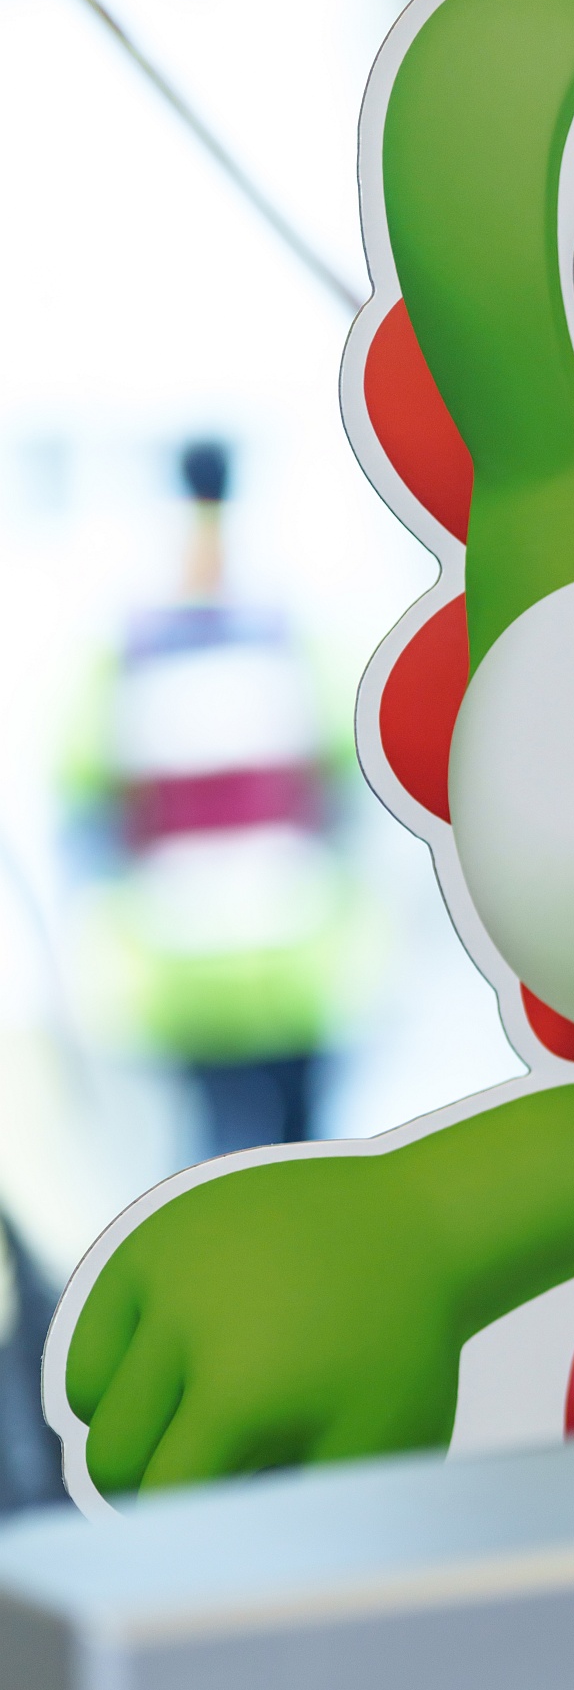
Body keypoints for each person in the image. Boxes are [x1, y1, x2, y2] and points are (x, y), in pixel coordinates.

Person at [68, 440, 367, 1159]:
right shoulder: (291, 632)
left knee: (218, 1173)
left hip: (203, 972)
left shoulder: (127, 649)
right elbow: (348, 786)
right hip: (285, 966)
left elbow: (87, 811)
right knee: (305, 1169)